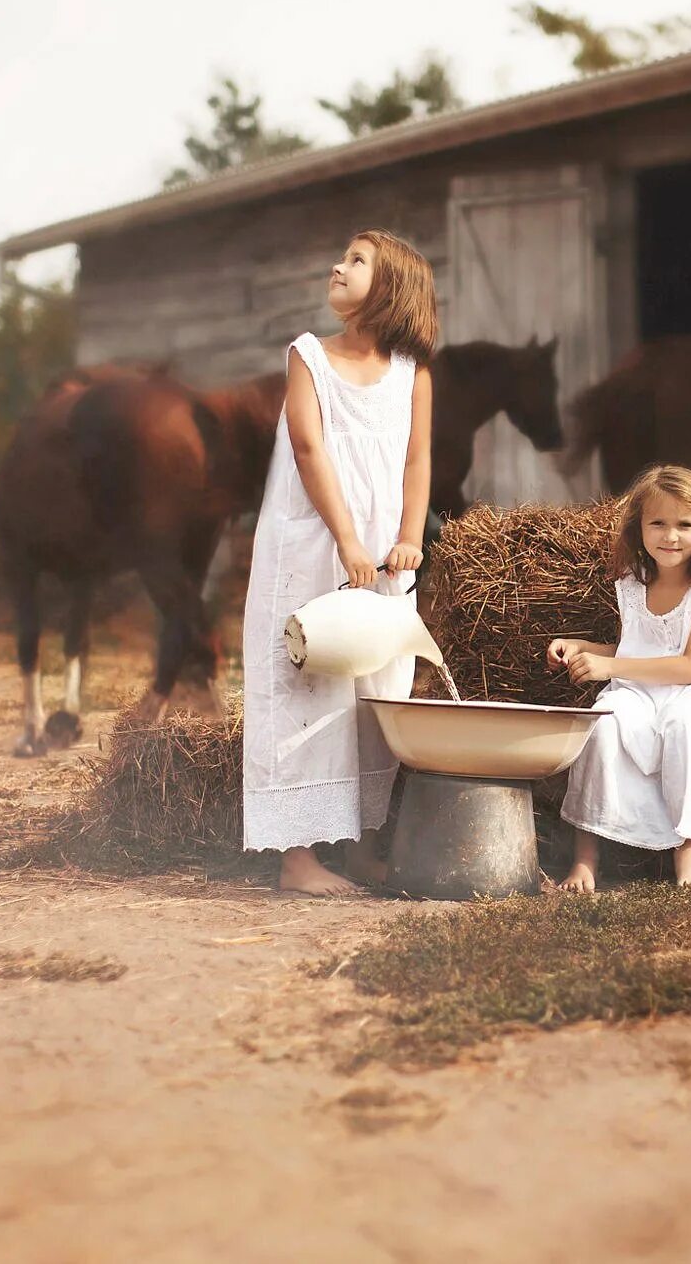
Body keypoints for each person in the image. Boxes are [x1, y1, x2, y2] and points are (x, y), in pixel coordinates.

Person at [242, 230, 435, 895]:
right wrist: (347, 539)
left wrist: (409, 535)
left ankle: (360, 846)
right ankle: (297, 857)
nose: (337, 265)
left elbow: (416, 459)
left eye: (357, 261)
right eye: (343, 256)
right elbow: (309, 447)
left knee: (379, 691)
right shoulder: (309, 357)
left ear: (391, 290)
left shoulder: (413, 374)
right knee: (308, 687)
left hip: (383, 557)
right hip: (315, 542)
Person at [548, 464, 691, 891]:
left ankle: (688, 851)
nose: (670, 536)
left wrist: (610, 668)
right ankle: (585, 858)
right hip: (640, 690)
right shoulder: (633, 584)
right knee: (604, 723)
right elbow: (637, 651)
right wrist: (582, 647)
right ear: (639, 527)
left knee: (686, 723)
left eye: (684, 525)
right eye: (658, 523)